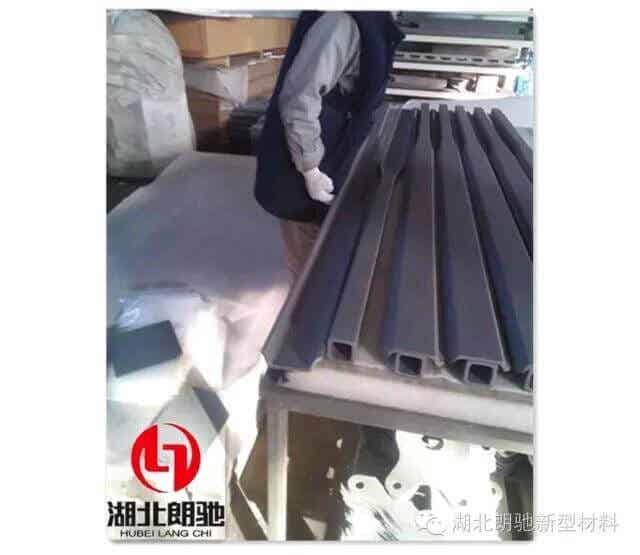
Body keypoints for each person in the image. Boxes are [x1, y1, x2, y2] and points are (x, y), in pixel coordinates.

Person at [254, 11, 404, 281]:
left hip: (333, 155)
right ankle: (302, 306)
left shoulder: (374, 22)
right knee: (309, 274)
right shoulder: (341, 23)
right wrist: (310, 168)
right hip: (304, 169)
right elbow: (299, 99)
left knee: (324, 259)